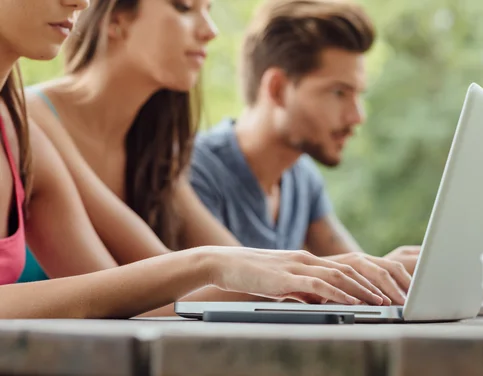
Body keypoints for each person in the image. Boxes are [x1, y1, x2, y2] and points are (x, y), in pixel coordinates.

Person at [0, 0, 388, 319]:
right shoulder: (36, 119)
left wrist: (350, 276)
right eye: (184, 7)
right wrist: (210, 265)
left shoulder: (22, 130)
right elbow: (137, 289)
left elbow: (136, 301)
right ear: (117, 19)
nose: (210, 31)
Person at [189, 0, 420, 304]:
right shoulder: (195, 170)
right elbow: (242, 290)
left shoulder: (301, 179)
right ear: (277, 88)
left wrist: (393, 274)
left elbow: (356, 273)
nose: (357, 116)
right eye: (339, 92)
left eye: (357, 94)